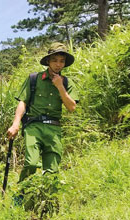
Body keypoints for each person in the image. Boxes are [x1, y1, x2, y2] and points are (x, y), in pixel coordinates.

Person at [6, 42, 77, 186]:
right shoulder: (34, 79)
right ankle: (21, 195)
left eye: (62, 61)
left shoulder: (67, 82)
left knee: (52, 171)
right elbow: (23, 102)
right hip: (34, 126)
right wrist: (15, 124)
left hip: (54, 129)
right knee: (31, 163)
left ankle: (49, 203)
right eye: (55, 60)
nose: (58, 64)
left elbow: (71, 107)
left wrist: (60, 87)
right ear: (48, 61)